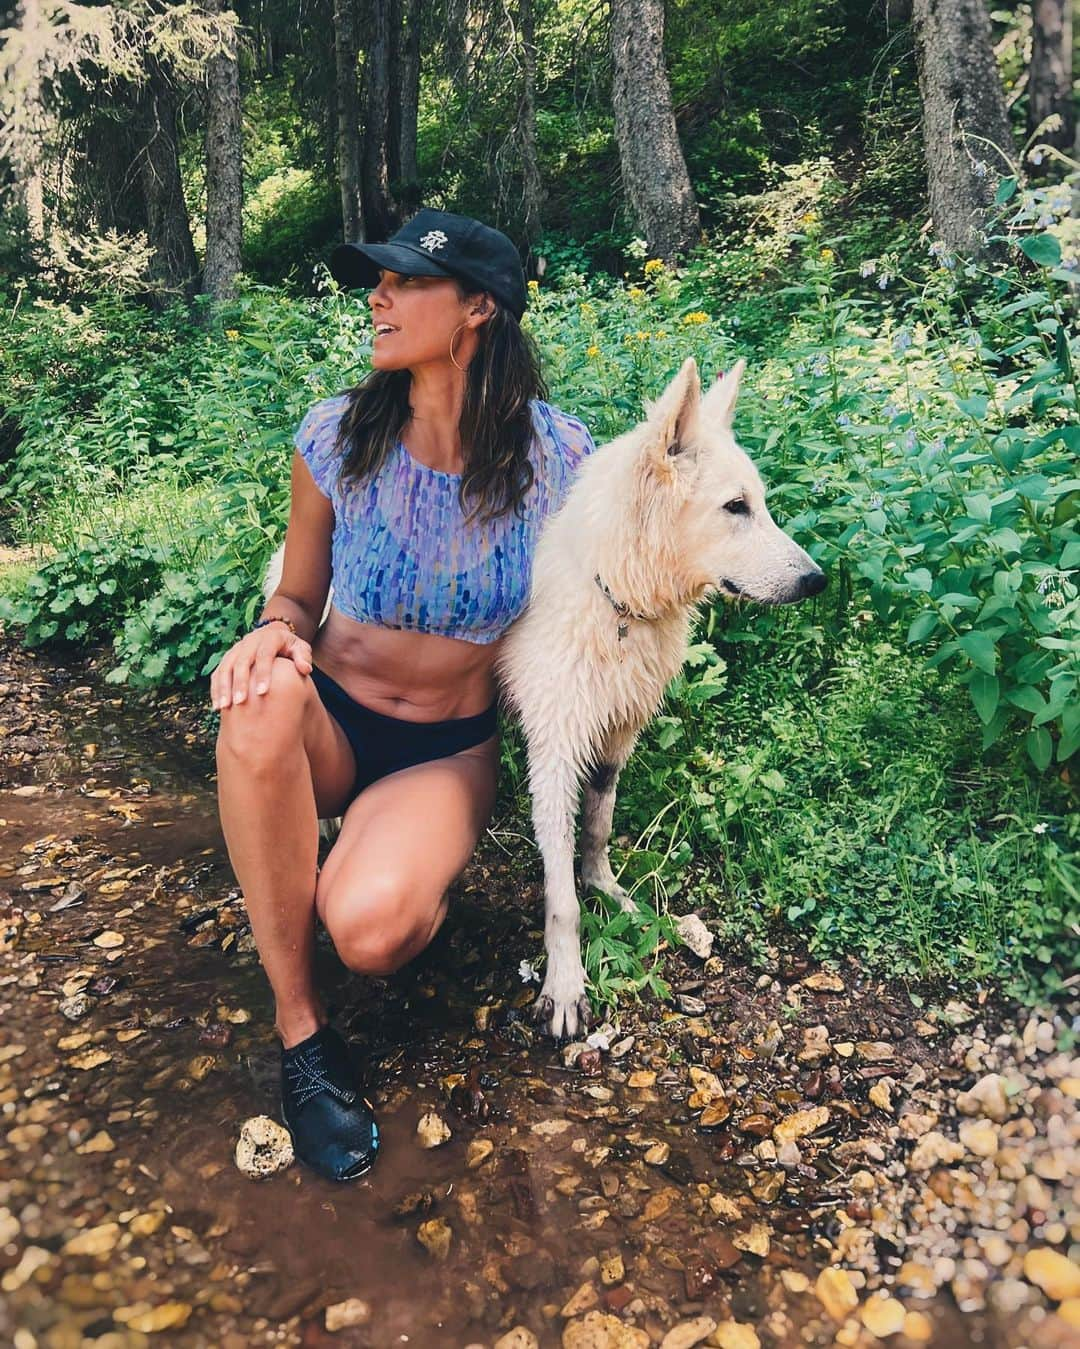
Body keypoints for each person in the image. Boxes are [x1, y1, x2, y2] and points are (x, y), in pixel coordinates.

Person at [210, 208, 598, 1183]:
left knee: (373, 930)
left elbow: (591, 612)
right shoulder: (337, 438)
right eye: (372, 279)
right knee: (258, 700)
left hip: (441, 750)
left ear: (478, 306)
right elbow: (296, 596)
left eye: (401, 281)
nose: (375, 296)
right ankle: (302, 1035)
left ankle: (377, 869)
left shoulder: (558, 462)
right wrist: (271, 634)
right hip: (330, 723)